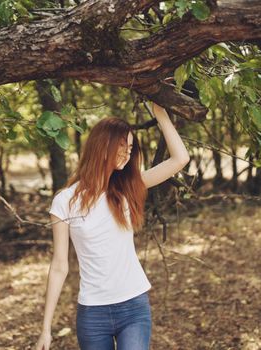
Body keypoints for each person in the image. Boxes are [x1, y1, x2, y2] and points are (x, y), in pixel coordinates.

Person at [35, 101, 190, 350]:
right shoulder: (64, 201)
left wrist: (160, 113)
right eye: (121, 147)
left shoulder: (127, 188)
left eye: (130, 148)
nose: (127, 154)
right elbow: (59, 267)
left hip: (133, 307)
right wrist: (45, 329)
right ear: (102, 147)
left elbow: (180, 158)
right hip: (93, 313)